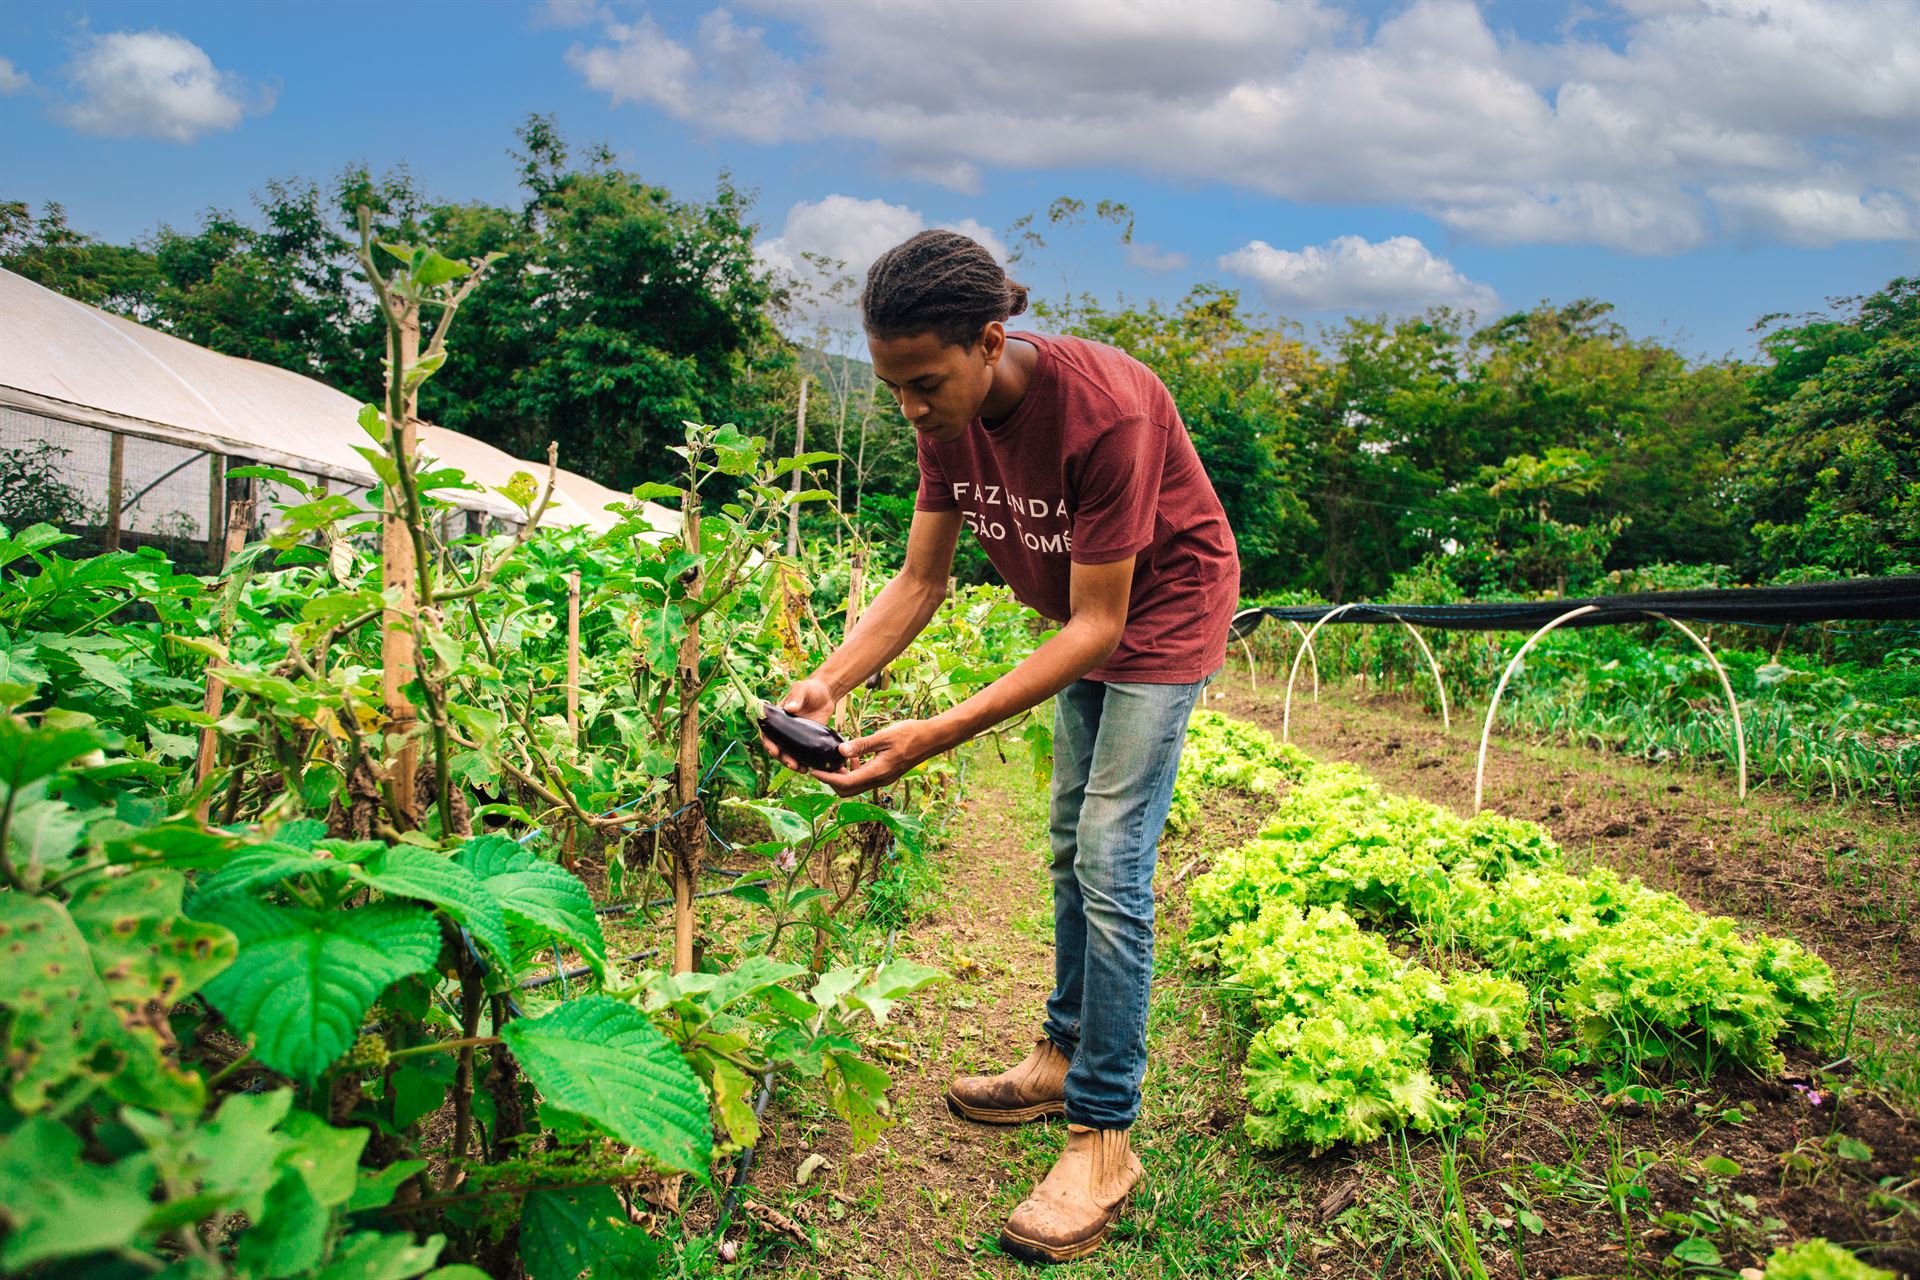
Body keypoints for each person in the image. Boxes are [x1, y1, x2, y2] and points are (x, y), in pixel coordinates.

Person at [760, 229, 1239, 1265]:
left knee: (1112, 856)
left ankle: (1104, 1131)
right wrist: (830, 681)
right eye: (894, 386)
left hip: (1158, 612)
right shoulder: (946, 414)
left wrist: (933, 734)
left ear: (990, 339)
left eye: (925, 382)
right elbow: (919, 581)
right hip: (1086, 613)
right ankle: (1062, 1053)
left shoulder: (1106, 408)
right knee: (1067, 836)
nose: (912, 407)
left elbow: (1098, 626)